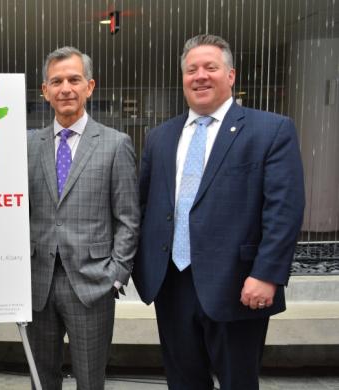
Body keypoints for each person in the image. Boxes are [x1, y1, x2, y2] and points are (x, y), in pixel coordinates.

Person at [133, 34, 305, 389]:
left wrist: (267, 275)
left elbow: (283, 210)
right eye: (191, 69)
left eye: (210, 67)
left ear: (230, 75)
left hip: (238, 284)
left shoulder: (271, 130)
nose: (200, 76)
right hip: (172, 283)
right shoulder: (160, 137)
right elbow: (146, 205)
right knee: (182, 381)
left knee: (237, 382)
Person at [27, 46, 139, 390]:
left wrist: (116, 275)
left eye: (74, 79)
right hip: (36, 284)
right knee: (40, 379)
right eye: (56, 81)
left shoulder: (115, 144)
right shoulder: (27, 145)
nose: (66, 88)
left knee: (91, 380)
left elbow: (128, 219)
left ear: (90, 86)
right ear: (45, 91)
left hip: (92, 284)